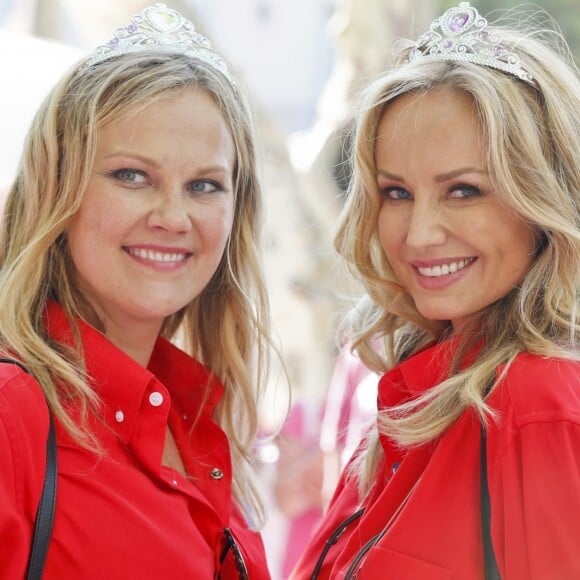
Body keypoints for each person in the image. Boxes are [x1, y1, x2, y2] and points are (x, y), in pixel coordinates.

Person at [291, 2, 580, 578]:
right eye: (396, 193)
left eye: (464, 191)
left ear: (542, 201)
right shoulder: (406, 394)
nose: (419, 235)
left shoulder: (537, 402)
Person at [0, 3, 273, 578]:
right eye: (132, 176)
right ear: (58, 190)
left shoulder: (197, 416)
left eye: (204, 185)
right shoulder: (11, 410)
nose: (174, 217)